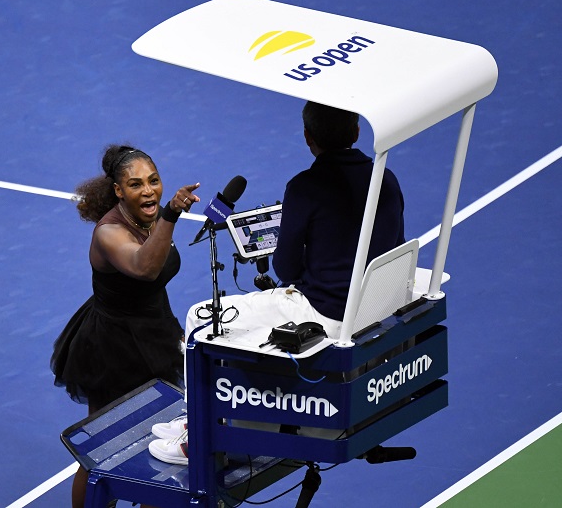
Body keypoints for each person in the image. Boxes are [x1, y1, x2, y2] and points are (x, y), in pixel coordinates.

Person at [148, 102, 405, 464]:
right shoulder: (386, 179)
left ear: (308, 138)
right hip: (373, 309)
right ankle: (206, 420)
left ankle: (200, 432)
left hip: (324, 313)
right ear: (357, 132)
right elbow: (394, 246)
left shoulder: (305, 186)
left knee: (200, 317)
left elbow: (285, 267)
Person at [50, 144, 200, 507]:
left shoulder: (146, 219)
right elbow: (145, 269)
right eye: (136, 184)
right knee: (102, 448)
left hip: (156, 337)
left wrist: (171, 329)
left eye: (154, 181)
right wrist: (170, 215)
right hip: (112, 350)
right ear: (119, 190)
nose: (148, 190)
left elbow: (153, 286)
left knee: (158, 447)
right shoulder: (108, 233)